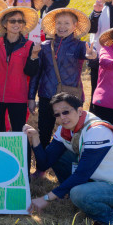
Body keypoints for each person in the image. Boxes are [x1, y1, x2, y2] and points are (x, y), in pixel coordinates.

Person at [24, 93, 113, 225]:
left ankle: (110, 216)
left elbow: (82, 174)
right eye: (57, 114)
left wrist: (46, 198)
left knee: (78, 193)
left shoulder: (97, 131)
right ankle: (68, 193)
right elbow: (45, 163)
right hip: (100, 178)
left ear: (80, 111)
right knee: (61, 157)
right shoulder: (65, 128)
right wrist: (35, 138)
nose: (62, 117)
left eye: (66, 111)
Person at [33, 8, 90, 146]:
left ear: (74, 25)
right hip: (47, 96)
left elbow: (94, 60)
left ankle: (68, 165)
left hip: (70, 98)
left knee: (71, 134)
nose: (62, 27)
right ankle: (42, 165)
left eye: (66, 23)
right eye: (59, 23)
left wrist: (93, 57)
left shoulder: (81, 46)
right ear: (54, 25)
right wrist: (30, 98)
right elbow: (36, 74)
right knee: (44, 133)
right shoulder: (45, 47)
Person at [0, 6, 42, 132]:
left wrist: (33, 56)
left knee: (19, 131)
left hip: (18, 97)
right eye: (12, 21)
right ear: (5, 24)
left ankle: (21, 153)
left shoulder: (29, 45)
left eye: (20, 21)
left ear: (23, 25)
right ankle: (0, 152)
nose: (16, 24)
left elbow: (30, 72)